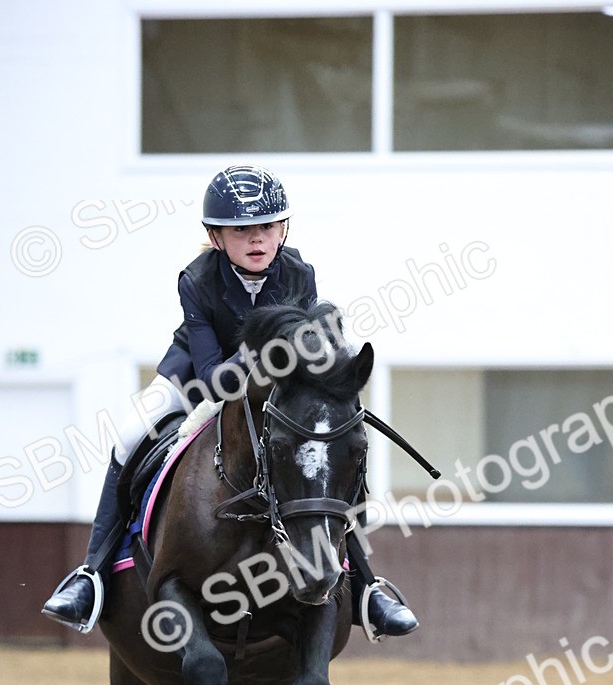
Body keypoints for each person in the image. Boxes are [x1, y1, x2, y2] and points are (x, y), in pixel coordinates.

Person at [42, 164, 418, 640]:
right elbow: (210, 374)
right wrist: (259, 361)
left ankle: (367, 586)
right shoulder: (197, 280)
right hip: (200, 377)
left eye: (267, 226)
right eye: (241, 230)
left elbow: (309, 353)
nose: (257, 239)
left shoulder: (299, 272)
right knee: (130, 433)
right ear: (216, 237)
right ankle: (91, 574)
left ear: (284, 228)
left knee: (330, 448)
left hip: (276, 386)